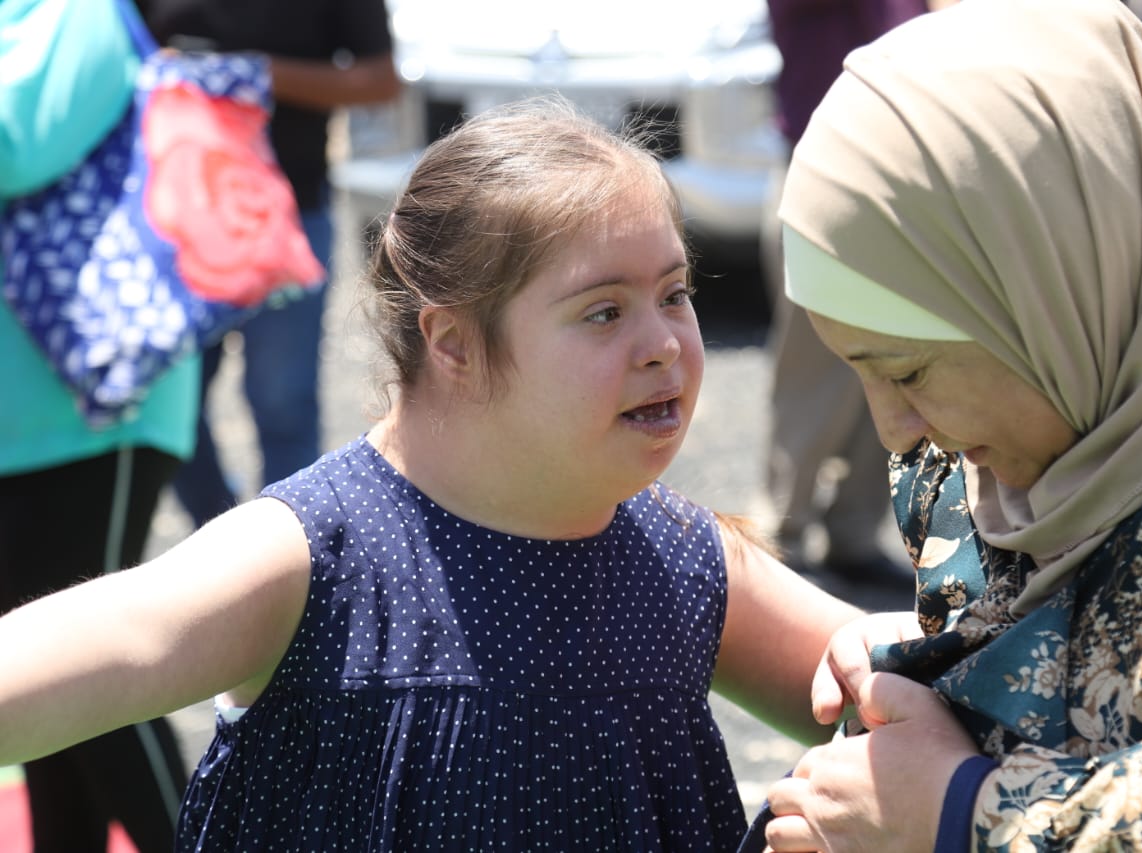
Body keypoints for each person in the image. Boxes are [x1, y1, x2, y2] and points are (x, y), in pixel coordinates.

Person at [0, 98, 867, 851]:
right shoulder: (314, 556)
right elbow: (110, 644)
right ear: (452, 341)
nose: (664, 345)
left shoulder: (682, 556)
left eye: (674, 294)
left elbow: (904, 684)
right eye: (604, 311)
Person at [744, 0, 1142, 849]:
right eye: (860, 374)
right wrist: (933, 666)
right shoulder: (978, 464)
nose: (894, 433)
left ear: (1053, 288)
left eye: (909, 370)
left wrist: (965, 809)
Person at [0, 0, 199, 850]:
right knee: (40, 684)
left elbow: (16, 145)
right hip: (24, 422)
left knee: (94, 666)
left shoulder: (77, 12)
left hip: (100, 411)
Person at [134, 0, 402, 527]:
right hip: (172, 219)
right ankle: (226, 542)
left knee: (284, 408)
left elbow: (379, 80)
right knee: (166, 407)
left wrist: (258, 74)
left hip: (293, 214)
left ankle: (294, 556)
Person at [760, 0, 925, 591]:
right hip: (825, 167)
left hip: (902, 171)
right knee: (814, 363)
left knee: (897, 362)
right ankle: (782, 530)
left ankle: (854, 530)